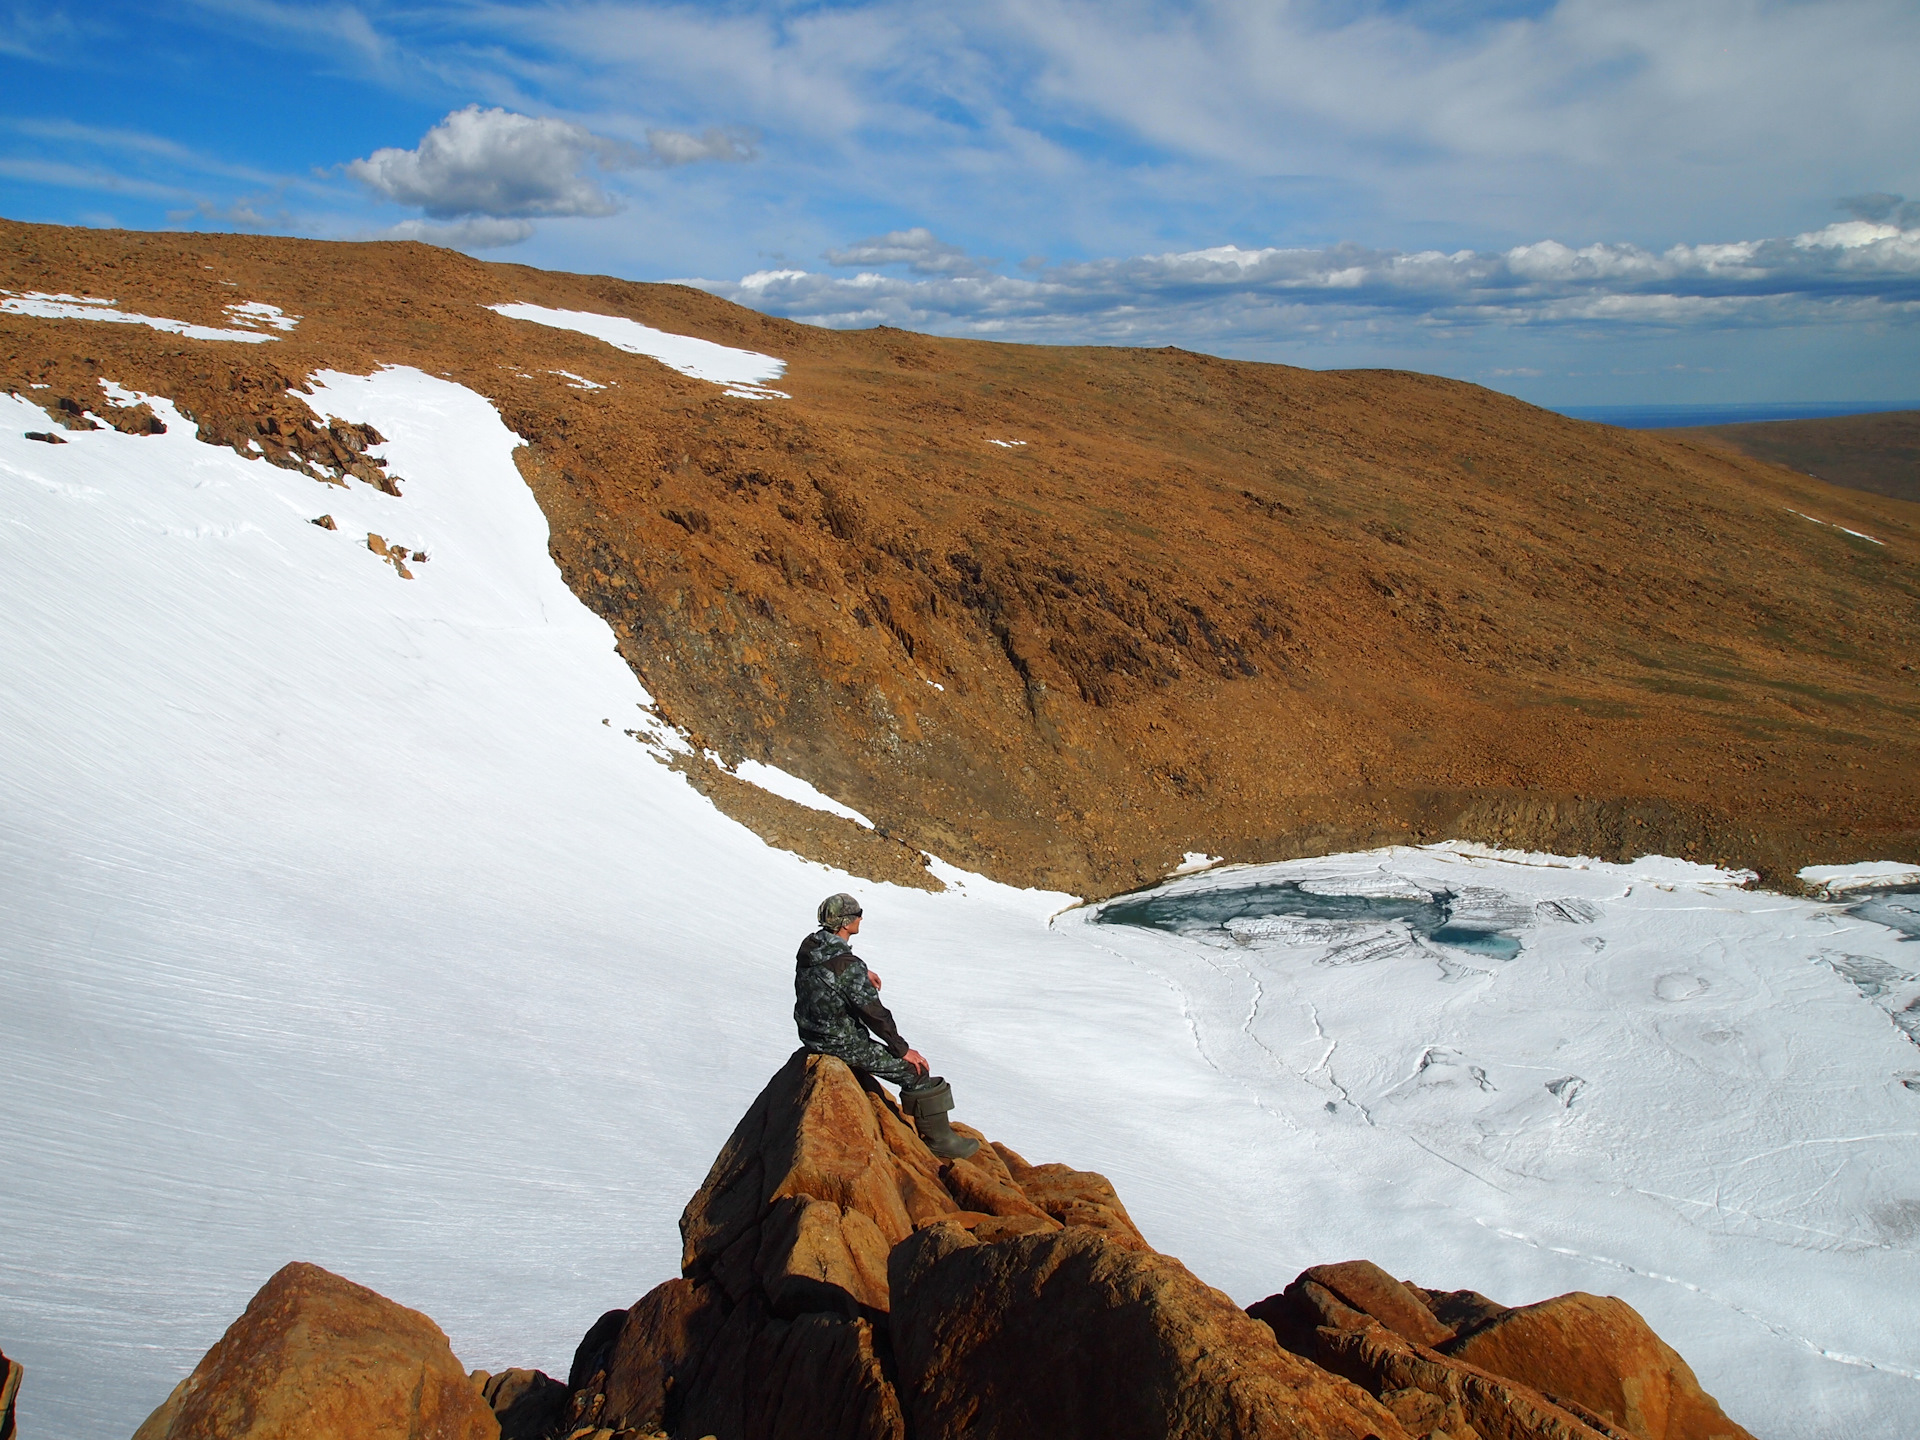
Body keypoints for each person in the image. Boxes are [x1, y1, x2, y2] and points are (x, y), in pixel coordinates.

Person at [795, 892, 978, 1159]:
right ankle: (941, 1142)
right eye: (858, 914)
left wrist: (861, 972)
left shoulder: (811, 948)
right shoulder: (847, 966)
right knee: (916, 1072)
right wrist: (902, 1049)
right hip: (840, 1043)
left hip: (811, 1033)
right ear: (847, 923)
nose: (860, 918)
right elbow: (875, 1014)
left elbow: (830, 973)